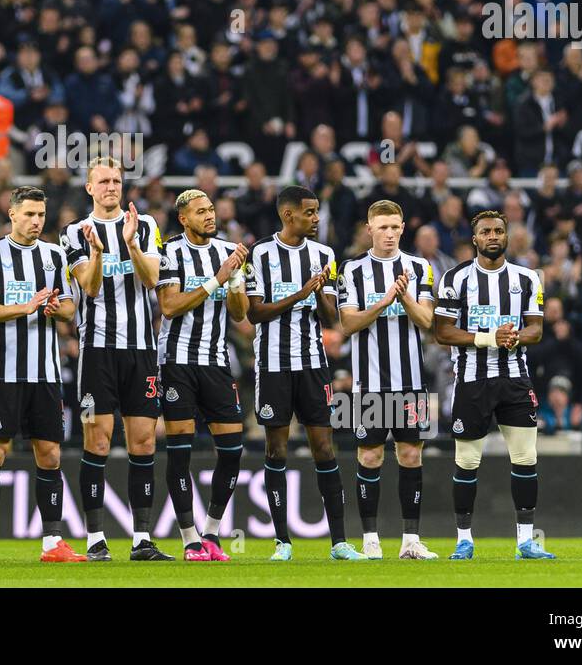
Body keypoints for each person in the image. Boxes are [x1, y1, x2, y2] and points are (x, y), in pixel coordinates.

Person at [246, 185, 364, 561]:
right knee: (276, 448)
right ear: (288, 215)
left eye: (317, 212)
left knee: (324, 448)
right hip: (274, 364)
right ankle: (283, 542)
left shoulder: (324, 255)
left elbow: (333, 321)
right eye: (310, 213)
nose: (316, 219)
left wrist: (318, 295)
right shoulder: (261, 254)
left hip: (313, 364)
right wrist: (300, 293)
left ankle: (340, 542)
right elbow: (255, 313)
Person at [60, 157, 170, 561]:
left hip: (141, 351)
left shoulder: (146, 225)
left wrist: (130, 244)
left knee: (142, 442)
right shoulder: (74, 232)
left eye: (116, 181)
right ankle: (95, 539)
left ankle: (142, 538)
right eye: (103, 181)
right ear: (89, 188)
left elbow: (152, 279)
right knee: (98, 441)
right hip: (97, 354)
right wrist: (98, 251)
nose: (111, 187)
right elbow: (87, 288)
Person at [0, 185, 82, 564]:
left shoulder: (54, 255)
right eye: (29, 214)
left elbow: (70, 307)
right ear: (12, 214)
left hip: (46, 375)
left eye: (41, 215)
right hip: (5, 373)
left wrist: (56, 309)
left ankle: (52, 543)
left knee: (50, 455)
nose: (36, 221)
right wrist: (25, 307)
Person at [434, 210, 554, 560]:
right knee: (467, 462)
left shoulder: (528, 278)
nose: (492, 236)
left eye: (498, 231)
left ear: (507, 236)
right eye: (485, 231)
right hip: (472, 380)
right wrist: (490, 337)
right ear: (474, 239)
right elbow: (443, 332)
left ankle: (526, 542)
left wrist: (514, 338)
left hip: (515, 379)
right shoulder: (454, 279)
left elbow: (537, 329)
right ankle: (464, 539)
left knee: (525, 458)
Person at [338, 200, 439, 559]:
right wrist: (383, 301)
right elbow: (347, 325)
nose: (390, 233)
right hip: (367, 383)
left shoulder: (420, 267)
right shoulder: (350, 270)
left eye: (395, 227)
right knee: (369, 458)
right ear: (369, 229)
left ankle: (411, 541)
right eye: (383, 227)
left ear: (403, 228)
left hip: (412, 382)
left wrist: (405, 297)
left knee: (411, 455)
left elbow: (428, 322)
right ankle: (370, 540)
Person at [156, 189, 249, 561]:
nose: (209, 216)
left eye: (211, 210)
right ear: (183, 219)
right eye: (200, 212)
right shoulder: (170, 252)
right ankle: (189, 538)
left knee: (232, 451)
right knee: (181, 453)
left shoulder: (228, 251)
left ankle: (211, 531)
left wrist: (236, 281)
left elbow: (240, 314)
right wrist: (217, 278)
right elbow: (169, 305)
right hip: (176, 362)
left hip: (216, 361)